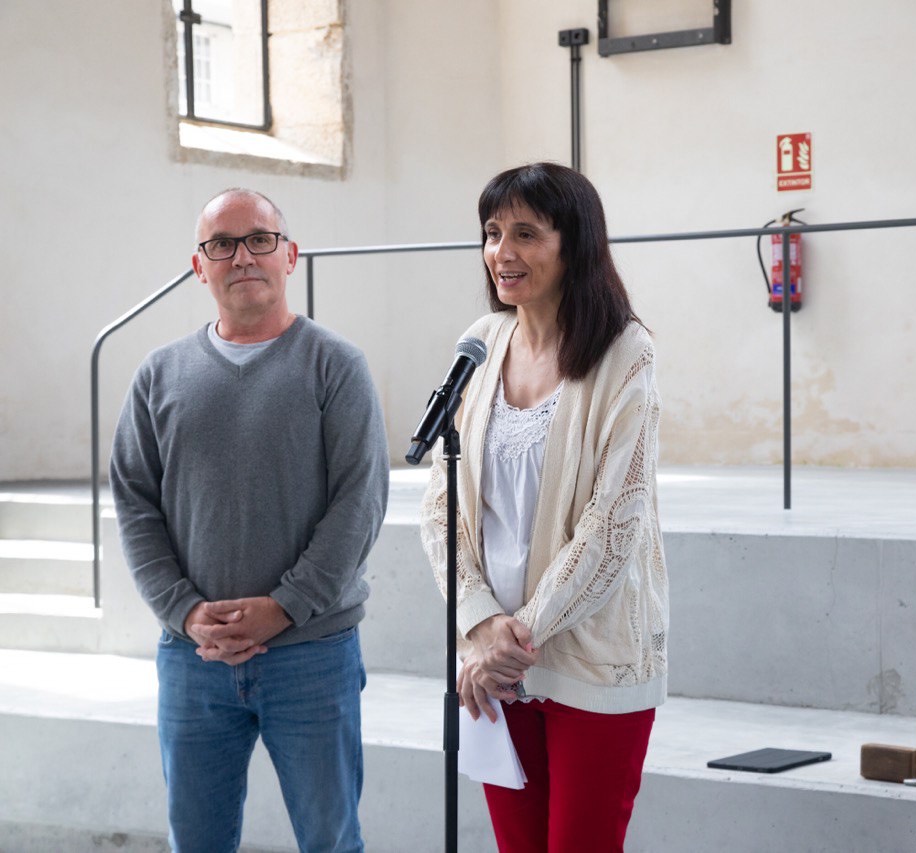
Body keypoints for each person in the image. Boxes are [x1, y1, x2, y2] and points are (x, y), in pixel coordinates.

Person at [110, 188, 390, 852]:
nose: (242, 257)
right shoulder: (158, 375)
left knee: (332, 840)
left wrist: (286, 606)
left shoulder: (335, 365)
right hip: (193, 657)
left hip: (312, 654)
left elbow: (359, 500)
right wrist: (184, 611)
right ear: (198, 266)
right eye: (222, 244)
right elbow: (135, 500)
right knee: (196, 841)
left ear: (289, 256)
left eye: (260, 239)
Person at [419, 162, 668, 853]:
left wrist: (516, 638)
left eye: (526, 233)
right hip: (492, 659)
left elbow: (614, 523)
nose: (502, 251)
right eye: (492, 232)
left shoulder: (625, 352)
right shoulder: (481, 342)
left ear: (574, 244)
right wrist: (480, 624)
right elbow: (442, 509)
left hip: (587, 655)